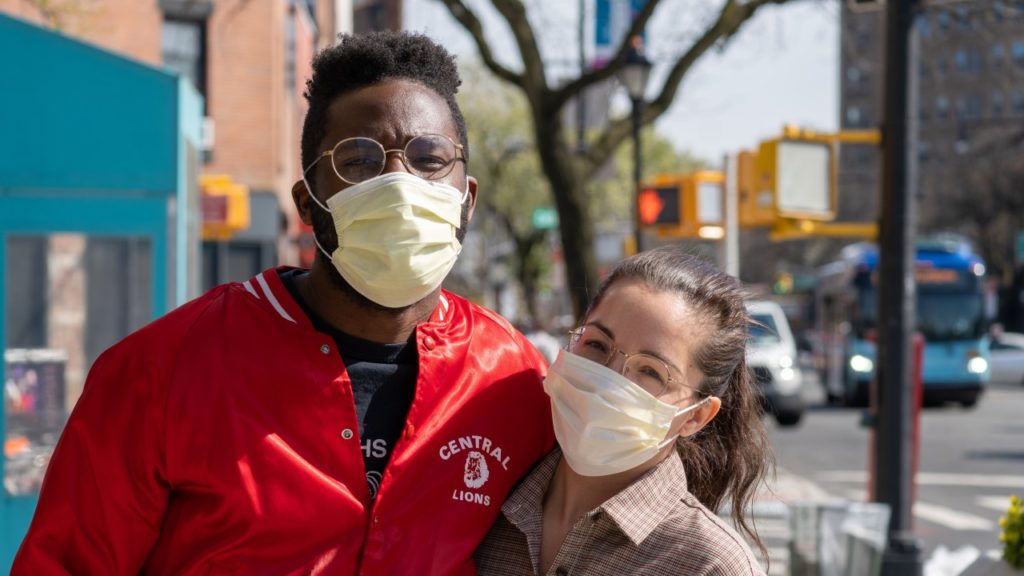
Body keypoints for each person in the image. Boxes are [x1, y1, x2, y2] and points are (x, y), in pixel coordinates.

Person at [14, 31, 554, 575]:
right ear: (308, 201)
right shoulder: (161, 372)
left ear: (468, 198)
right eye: (359, 161)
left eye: (430, 159)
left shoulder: (512, 379)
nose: (400, 185)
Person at [475, 247, 773, 576]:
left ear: (695, 416)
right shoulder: (481, 501)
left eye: (651, 372)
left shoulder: (710, 565)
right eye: (597, 345)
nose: (608, 380)